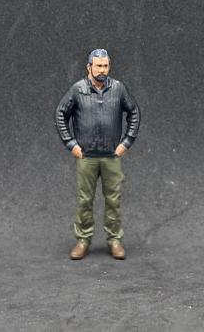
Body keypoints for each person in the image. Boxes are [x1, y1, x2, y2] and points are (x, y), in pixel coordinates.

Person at [55, 49, 140, 260]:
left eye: (105, 66)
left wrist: (126, 142)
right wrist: (71, 144)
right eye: (98, 66)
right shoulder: (78, 89)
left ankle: (114, 239)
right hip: (86, 157)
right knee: (85, 200)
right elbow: (60, 113)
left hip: (112, 156)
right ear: (89, 67)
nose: (102, 70)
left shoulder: (118, 88)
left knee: (113, 200)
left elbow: (134, 112)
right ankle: (83, 240)